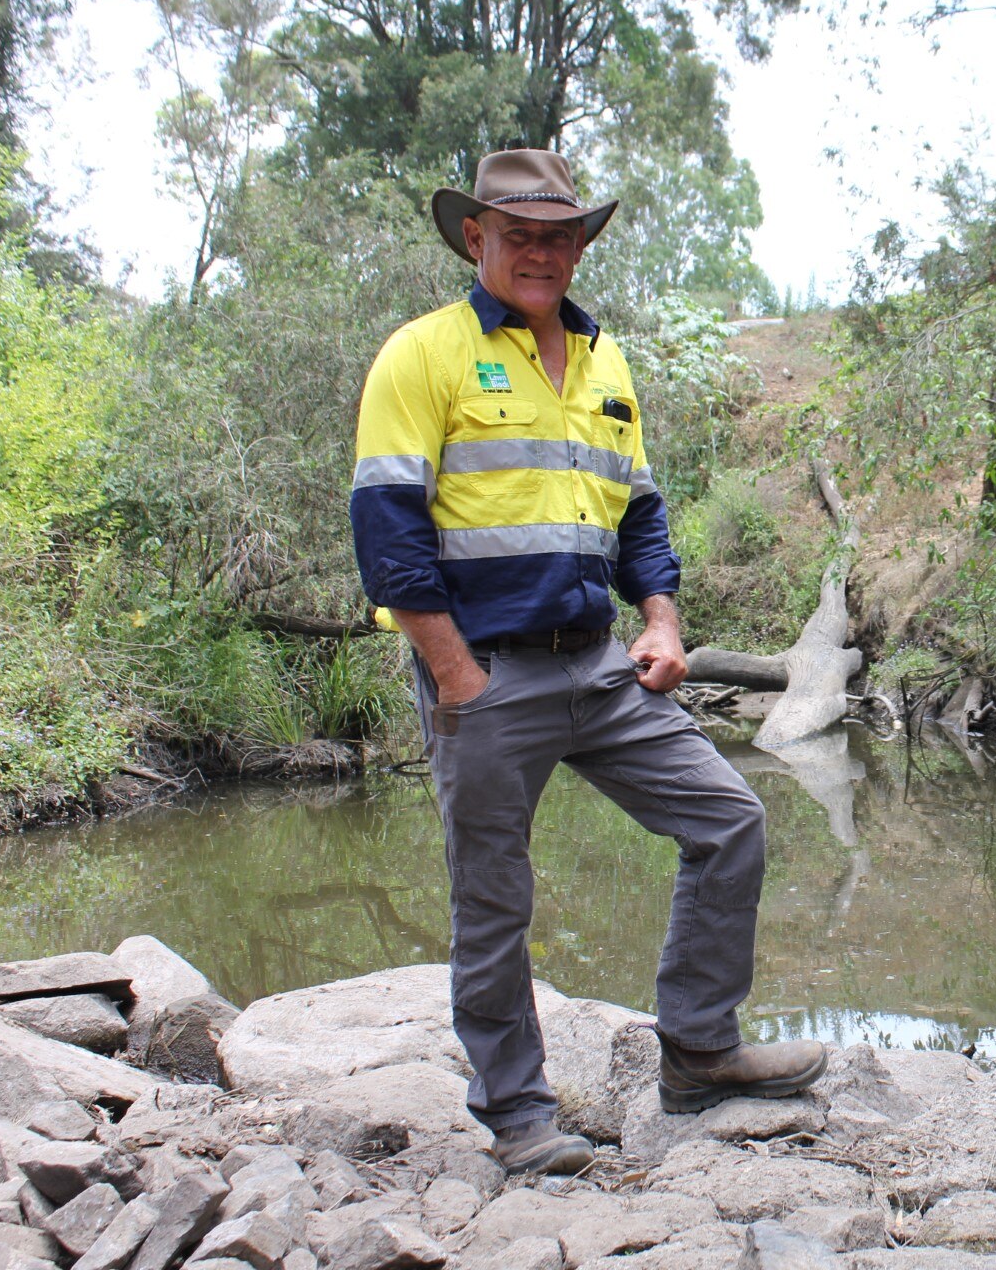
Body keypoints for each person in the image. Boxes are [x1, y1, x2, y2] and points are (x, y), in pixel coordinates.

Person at [348, 148, 826, 1176]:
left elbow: (639, 514)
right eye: (518, 233)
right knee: (493, 896)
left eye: (558, 235)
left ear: (580, 244)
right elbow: (386, 532)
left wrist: (660, 618)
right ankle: (518, 1115)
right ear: (475, 238)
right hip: (483, 674)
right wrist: (455, 675)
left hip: (601, 666)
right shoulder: (422, 354)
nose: (540, 252)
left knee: (729, 817)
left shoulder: (605, 362)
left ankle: (699, 1047)